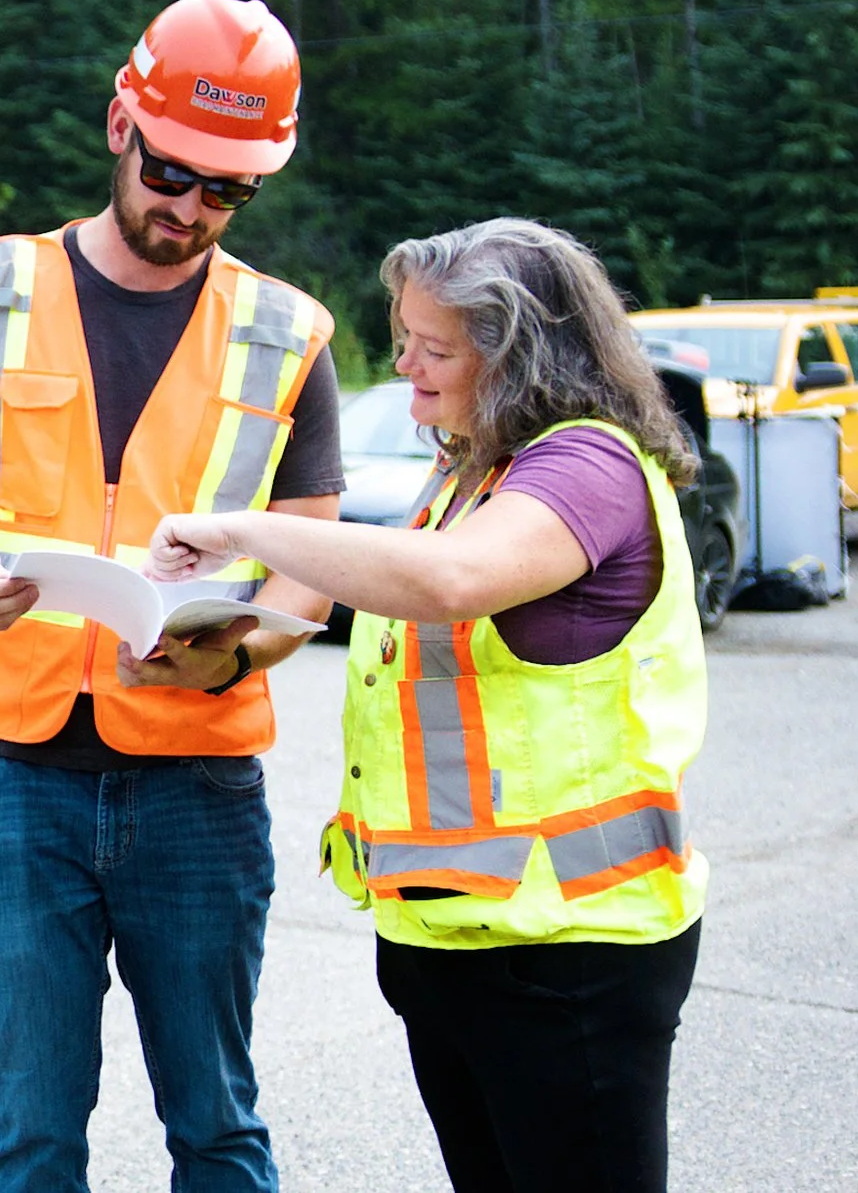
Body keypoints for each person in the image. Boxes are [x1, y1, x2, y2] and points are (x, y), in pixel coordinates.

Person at [0, 0, 347, 1193]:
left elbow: (311, 562)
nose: (189, 209)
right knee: (31, 1137)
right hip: (9, 778)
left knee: (218, 1126)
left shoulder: (288, 335)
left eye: (226, 190)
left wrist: (232, 653)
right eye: (174, 172)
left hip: (197, 778)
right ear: (119, 124)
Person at [145, 218, 708, 1193]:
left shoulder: (590, 465)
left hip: (566, 954)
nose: (401, 361)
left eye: (430, 345)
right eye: (401, 334)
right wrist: (228, 641)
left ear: (519, 349)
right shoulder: (473, 476)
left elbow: (449, 583)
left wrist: (242, 529)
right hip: (452, 941)